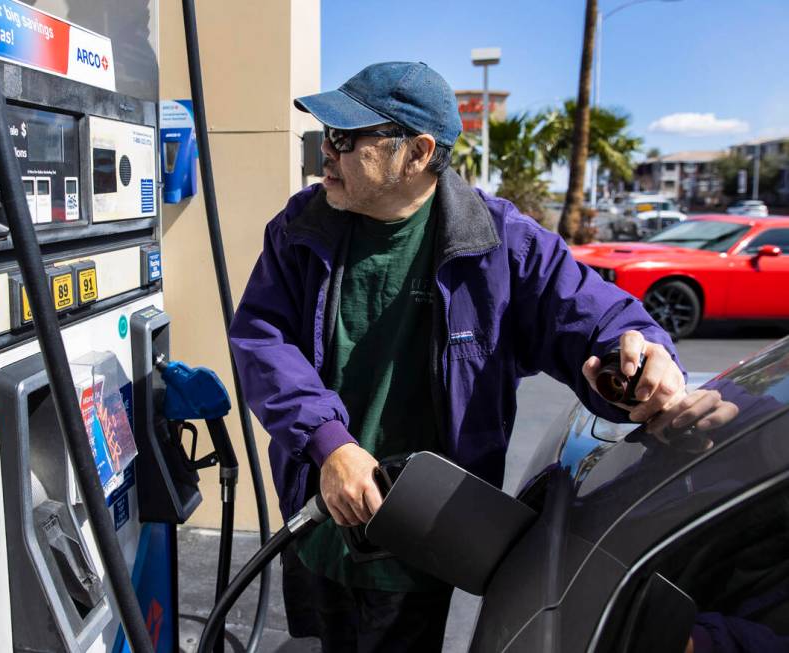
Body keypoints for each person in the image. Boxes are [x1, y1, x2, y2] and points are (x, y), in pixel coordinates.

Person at [228, 61, 687, 652]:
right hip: (316, 519)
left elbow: (597, 316)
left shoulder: (500, 242)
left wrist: (644, 361)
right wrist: (329, 445)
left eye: (346, 139)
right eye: (325, 136)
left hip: (420, 541)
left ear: (417, 153)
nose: (327, 152)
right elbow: (262, 340)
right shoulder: (299, 228)